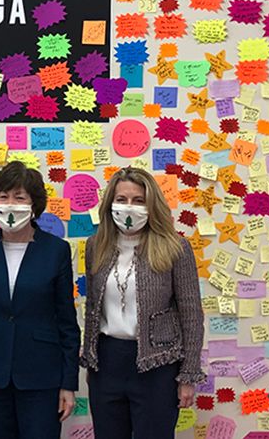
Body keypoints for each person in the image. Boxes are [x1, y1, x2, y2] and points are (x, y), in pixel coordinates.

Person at [80, 167, 206, 439]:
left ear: (152, 205)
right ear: (110, 204)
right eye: (122, 199)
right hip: (107, 362)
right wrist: (91, 360)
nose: (129, 207)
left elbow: (191, 315)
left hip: (157, 366)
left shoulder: (175, 247)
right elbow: (93, 307)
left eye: (138, 201)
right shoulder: (95, 246)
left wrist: (188, 375)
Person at [0, 161, 80, 439]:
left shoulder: (56, 250)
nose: (10, 204)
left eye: (19, 197)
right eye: (4, 197)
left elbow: (67, 322)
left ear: (34, 204)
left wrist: (68, 383)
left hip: (42, 376)